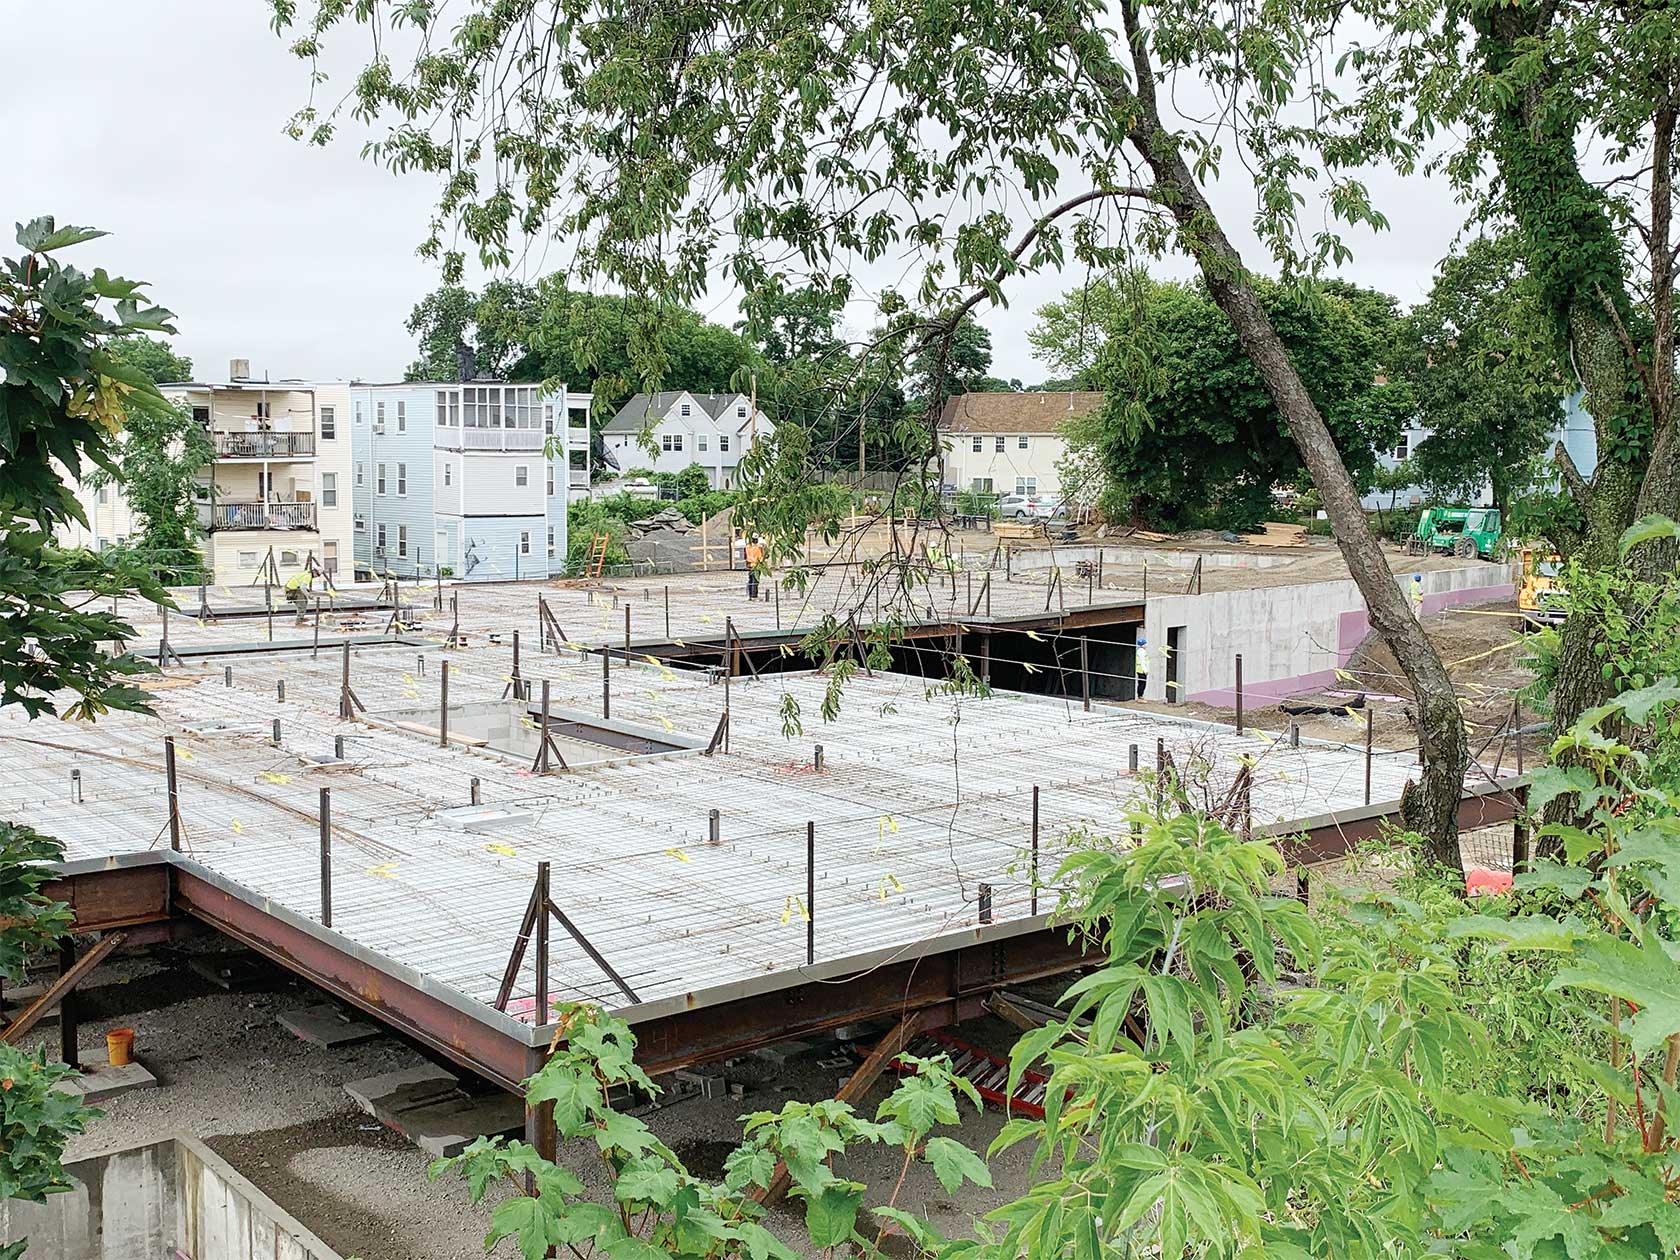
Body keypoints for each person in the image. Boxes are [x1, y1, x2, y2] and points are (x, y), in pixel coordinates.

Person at [744, 535, 765, 600]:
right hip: (756, 566)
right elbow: (760, 558)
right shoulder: (757, 548)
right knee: (755, 581)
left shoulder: (747, 547)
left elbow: (745, 556)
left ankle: (750, 595)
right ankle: (754, 596)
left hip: (750, 565)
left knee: (750, 580)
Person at [1135, 634, 1150, 700]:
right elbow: (1142, 662)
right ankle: (1140, 696)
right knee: (1142, 684)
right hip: (1142, 670)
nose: (1146, 644)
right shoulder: (1142, 652)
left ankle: (1140, 696)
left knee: (1141, 683)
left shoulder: (1140, 651)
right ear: (1143, 645)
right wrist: (1145, 670)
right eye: (1145, 643)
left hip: (1140, 670)